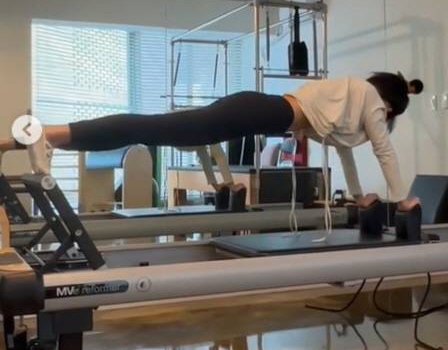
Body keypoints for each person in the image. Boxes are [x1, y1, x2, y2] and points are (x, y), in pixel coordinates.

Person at [2, 72, 423, 211]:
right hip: (255, 113)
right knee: (147, 128)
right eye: (388, 116)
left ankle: (22, 140)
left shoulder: (352, 97)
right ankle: (46, 134)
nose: (382, 122)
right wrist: (403, 200)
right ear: (389, 105)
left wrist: (359, 196)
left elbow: (346, 151)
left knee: (148, 128)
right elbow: (383, 149)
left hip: (252, 110)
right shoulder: (370, 99)